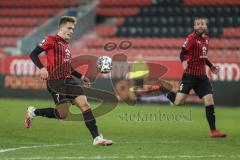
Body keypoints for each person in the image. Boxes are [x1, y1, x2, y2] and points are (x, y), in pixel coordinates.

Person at [25, 16, 113, 146]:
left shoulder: (66, 45)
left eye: (73, 28)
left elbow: (67, 66)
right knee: (63, 114)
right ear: (61, 27)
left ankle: (96, 138)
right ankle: (33, 111)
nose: (72, 31)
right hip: (56, 82)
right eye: (69, 28)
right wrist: (42, 68)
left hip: (70, 81)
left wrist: (81, 76)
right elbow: (33, 54)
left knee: (85, 106)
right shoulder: (51, 39)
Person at [158, 17, 226, 138]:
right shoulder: (191, 38)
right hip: (189, 76)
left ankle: (213, 131)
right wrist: (184, 61)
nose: (200, 26)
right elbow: (182, 53)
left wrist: (211, 66)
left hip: (202, 77)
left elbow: (203, 56)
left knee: (209, 100)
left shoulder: (206, 39)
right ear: (194, 27)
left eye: (202, 24)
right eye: (198, 24)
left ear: (205, 26)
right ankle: (162, 89)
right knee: (178, 102)